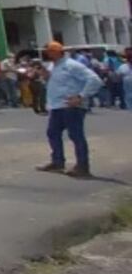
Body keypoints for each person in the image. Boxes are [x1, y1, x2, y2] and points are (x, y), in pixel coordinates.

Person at [36, 41, 102, 178]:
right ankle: (57, 161)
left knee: (76, 136)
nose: (46, 54)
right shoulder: (52, 66)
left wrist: (81, 96)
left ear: (57, 52)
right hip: (57, 105)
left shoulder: (72, 65)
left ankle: (83, 166)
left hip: (71, 105)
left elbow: (95, 80)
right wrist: (45, 76)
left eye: (49, 51)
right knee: (52, 133)